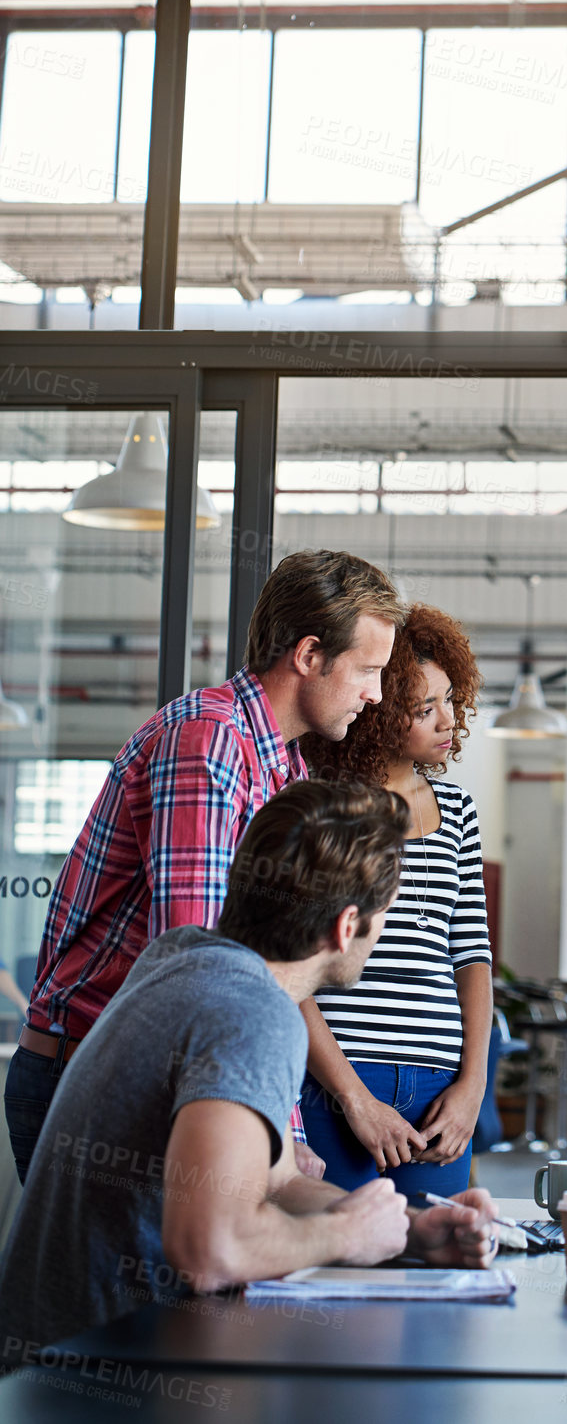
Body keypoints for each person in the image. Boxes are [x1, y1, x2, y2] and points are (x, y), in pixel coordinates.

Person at [0, 779, 498, 1361]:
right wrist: (344, 1235)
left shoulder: (186, 955)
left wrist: (411, 1228)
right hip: (89, 1381)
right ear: (346, 927)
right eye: (385, 915)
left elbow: (278, 1181)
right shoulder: (252, 1015)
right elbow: (209, 1251)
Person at [4, 549, 402, 1183]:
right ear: (308, 656)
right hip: (96, 1074)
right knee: (151, 1278)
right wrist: (274, 1127)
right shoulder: (209, 738)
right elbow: (200, 954)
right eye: (368, 670)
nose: (375, 695)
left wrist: (279, 1121)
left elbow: (268, 965)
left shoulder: (283, 769)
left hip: (152, 1071)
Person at [299, 603, 492, 1195]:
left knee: (440, 1257)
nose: (448, 722)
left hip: (441, 1087)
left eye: (451, 700)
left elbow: (471, 956)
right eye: (424, 708)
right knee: (340, 1260)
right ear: (379, 713)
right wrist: (352, 1097)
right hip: (339, 1078)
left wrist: (472, 1088)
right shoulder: (318, 805)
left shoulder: (457, 809)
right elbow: (289, 968)